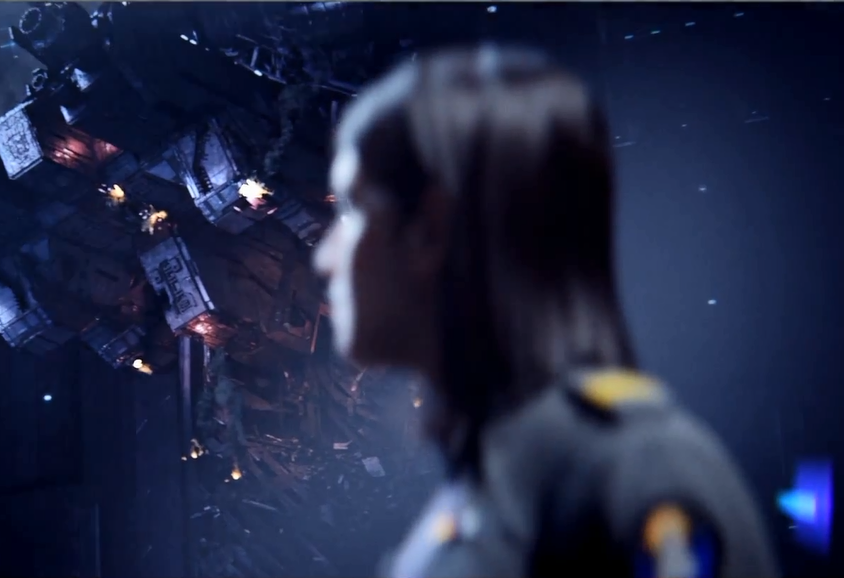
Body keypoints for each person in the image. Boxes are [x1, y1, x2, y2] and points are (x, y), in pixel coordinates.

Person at [311, 44, 778, 578]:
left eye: (352, 210)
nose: (324, 256)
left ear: (431, 230)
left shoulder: (634, 473)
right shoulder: (501, 477)